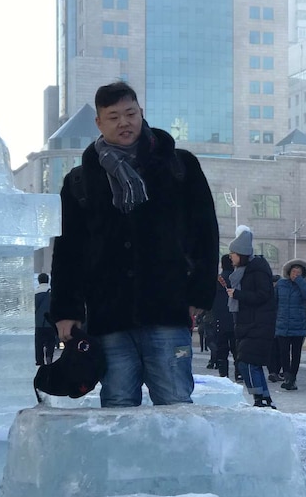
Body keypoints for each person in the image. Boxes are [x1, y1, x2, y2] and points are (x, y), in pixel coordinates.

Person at [49, 81, 219, 408]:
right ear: (99, 123)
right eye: (113, 117)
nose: (124, 122)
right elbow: (68, 251)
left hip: (167, 308)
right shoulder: (79, 181)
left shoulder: (179, 166)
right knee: (117, 406)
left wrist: (199, 292)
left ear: (142, 113)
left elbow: (205, 232)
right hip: (108, 315)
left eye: (130, 113)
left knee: (175, 404)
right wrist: (66, 311)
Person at [226, 226, 277, 409]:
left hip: (258, 325)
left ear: (242, 253)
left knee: (247, 363)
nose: (230, 257)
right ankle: (264, 398)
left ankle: (260, 399)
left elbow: (263, 295)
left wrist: (238, 295)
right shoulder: (245, 271)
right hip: (250, 324)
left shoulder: (257, 271)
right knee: (250, 363)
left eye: (233, 253)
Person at [274, 259, 306, 391]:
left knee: (296, 354)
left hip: (298, 325)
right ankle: (287, 377)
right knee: (283, 353)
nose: (295, 274)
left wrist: (300, 281)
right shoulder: (281, 284)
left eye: (299, 272)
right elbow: (274, 301)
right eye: (293, 271)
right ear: (289, 272)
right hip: (282, 324)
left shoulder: (305, 285)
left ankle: (293, 378)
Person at [212, 255, 238, 380]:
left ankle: (223, 373)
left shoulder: (218, 279)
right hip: (235, 316)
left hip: (219, 317)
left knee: (222, 348)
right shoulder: (237, 278)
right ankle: (239, 372)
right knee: (236, 347)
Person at [34, 273, 57, 366]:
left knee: (38, 343)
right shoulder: (52, 293)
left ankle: (39, 361)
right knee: (51, 341)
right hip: (50, 322)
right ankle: (49, 356)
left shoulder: (35, 293)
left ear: (39, 281)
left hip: (38, 323)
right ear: (48, 280)